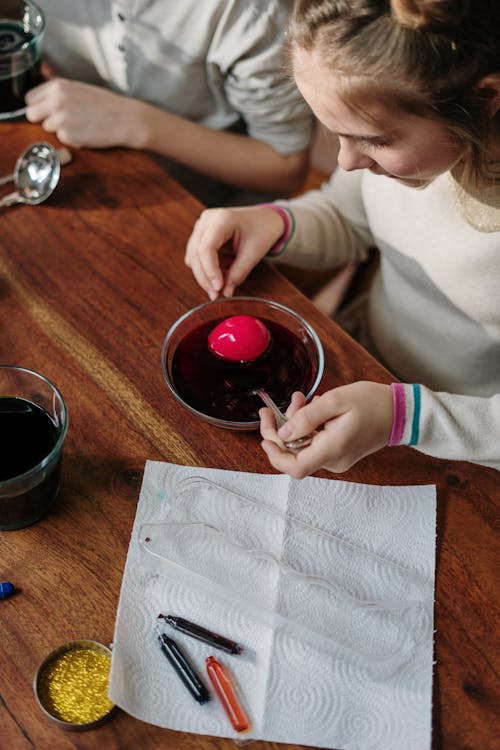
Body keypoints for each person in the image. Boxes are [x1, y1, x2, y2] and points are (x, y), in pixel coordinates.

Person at [184, 0, 500, 475]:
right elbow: (350, 216)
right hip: (362, 366)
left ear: (486, 98)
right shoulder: (409, 146)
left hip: (460, 445)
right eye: (332, 134)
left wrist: (405, 418)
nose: (346, 161)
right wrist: (276, 223)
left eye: (373, 140)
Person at [25, 1, 314, 206]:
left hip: (202, 208)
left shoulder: (253, 12)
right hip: (65, 161)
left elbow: (286, 168)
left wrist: (133, 122)